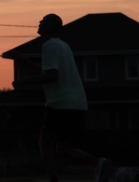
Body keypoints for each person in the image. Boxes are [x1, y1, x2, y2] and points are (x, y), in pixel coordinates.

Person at [12, 13, 112, 182]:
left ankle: (53, 179)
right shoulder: (63, 45)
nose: (39, 21)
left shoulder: (49, 46)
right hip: (78, 104)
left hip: (60, 104)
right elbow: (49, 71)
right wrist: (25, 61)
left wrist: (23, 82)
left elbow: (51, 76)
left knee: (46, 144)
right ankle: (98, 163)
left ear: (50, 26)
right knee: (63, 148)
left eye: (43, 20)